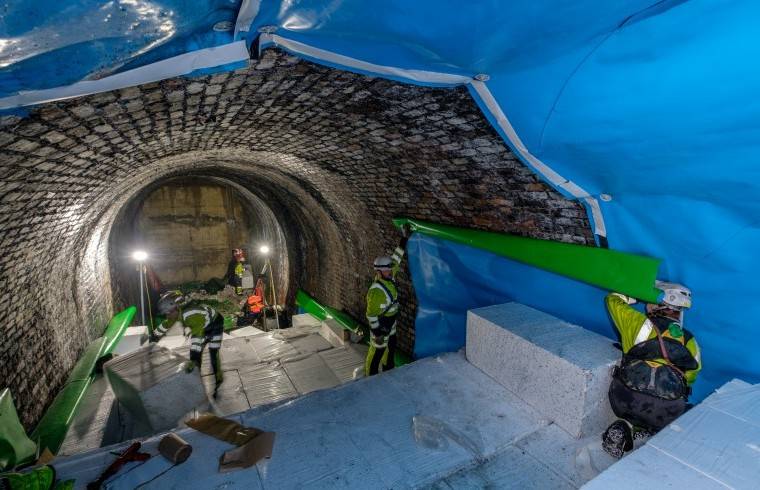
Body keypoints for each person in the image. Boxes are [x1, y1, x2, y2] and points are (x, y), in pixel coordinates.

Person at [602, 281, 701, 458]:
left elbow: (612, 299)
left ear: (657, 302)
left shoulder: (638, 324)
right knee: (679, 409)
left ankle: (626, 425)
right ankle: (648, 431)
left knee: (635, 400)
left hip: (623, 399)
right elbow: (690, 378)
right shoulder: (691, 342)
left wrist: (635, 293)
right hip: (666, 412)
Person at [152, 290, 225, 397]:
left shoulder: (190, 315)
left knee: (212, 351)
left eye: (167, 313)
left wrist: (193, 360)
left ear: (175, 308)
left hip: (215, 323)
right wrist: (154, 335)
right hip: (202, 323)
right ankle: (196, 380)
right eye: (165, 314)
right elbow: (167, 323)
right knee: (196, 354)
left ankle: (218, 379)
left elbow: (197, 337)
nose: (167, 316)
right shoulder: (175, 313)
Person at [364, 224, 410, 376]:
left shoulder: (389, 276)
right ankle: (369, 378)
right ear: (378, 272)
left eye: (390, 269)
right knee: (376, 353)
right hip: (381, 327)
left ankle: (388, 374)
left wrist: (404, 238)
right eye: (387, 270)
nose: (390, 271)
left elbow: (397, 258)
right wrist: (377, 334)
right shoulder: (376, 291)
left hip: (391, 325)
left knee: (390, 350)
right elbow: (371, 315)